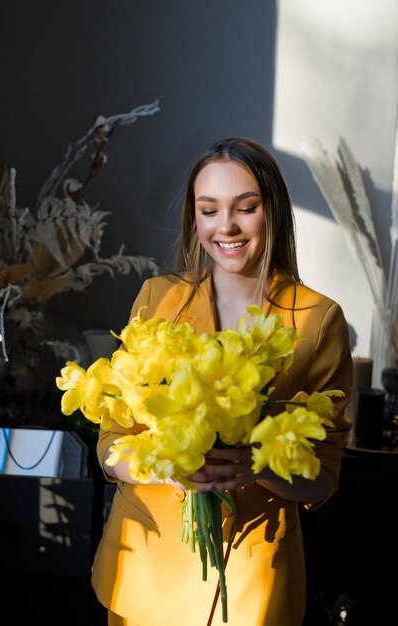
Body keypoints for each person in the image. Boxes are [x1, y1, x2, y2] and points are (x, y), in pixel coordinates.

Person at [90, 137, 353, 626]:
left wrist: (257, 466)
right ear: (195, 217)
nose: (225, 227)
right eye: (208, 210)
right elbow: (110, 443)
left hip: (251, 580)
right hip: (145, 568)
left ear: (271, 210)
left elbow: (326, 477)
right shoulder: (157, 298)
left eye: (245, 208)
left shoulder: (318, 320)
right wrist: (163, 467)